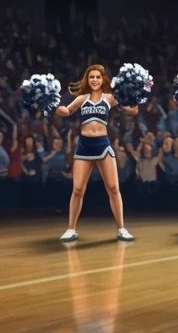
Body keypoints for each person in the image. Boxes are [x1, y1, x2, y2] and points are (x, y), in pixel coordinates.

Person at [54, 65, 138, 241]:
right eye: (91, 77)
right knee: (77, 189)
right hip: (84, 145)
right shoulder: (82, 98)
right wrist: (53, 104)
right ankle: (71, 229)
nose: (94, 80)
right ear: (87, 79)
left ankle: (121, 228)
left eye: (98, 77)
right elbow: (66, 111)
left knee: (114, 188)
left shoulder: (110, 98)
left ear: (103, 80)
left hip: (102, 144)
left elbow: (133, 110)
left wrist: (133, 93)